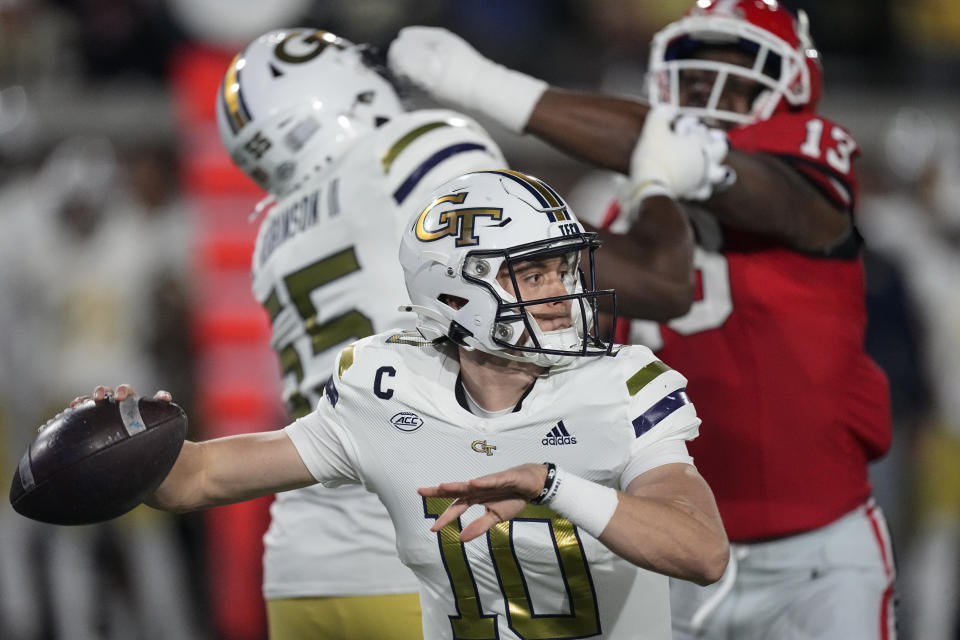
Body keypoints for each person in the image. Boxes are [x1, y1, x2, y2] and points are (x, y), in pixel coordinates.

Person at [387, 2, 896, 638]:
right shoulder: (619, 201)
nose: (710, 96)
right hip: (670, 536)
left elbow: (761, 192)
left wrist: (480, 83)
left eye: (737, 79)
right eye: (694, 75)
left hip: (817, 547)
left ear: (791, 85)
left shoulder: (802, 165)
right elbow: (654, 273)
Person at [73, 169, 729, 640]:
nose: (563, 293)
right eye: (533, 275)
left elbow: (703, 553)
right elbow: (202, 479)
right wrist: (131, 443)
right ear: (453, 296)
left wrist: (554, 485)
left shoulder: (621, 386)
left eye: (565, 269)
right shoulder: (386, 387)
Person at [214, 28, 512, 640]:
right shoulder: (411, 147)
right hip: (422, 541)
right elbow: (526, 289)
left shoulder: (271, 235)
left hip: (302, 561)